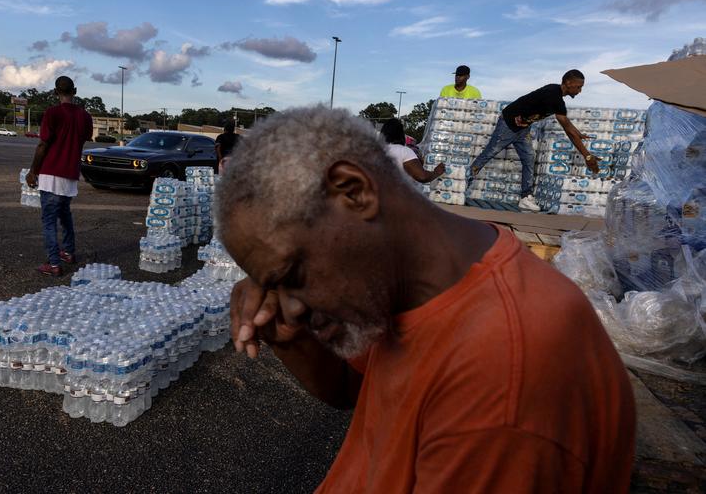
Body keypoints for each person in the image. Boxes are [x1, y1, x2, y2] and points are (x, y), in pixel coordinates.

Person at [216, 106, 635, 493]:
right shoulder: (419, 280)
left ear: (354, 191)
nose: (290, 304)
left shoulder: (502, 382)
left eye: (293, 275)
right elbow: (355, 389)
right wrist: (290, 336)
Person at [469, 69, 599, 212]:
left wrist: (578, 133)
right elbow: (567, 128)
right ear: (568, 83)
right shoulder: (553, 95)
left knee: (529, 157)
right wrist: (587, 155)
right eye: (578, 86)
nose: (580, 90)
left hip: (522, 129)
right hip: (508, 125)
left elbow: (567, 124)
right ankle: (465, 182)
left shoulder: (557, 97)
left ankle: (525, 197)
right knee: (489, 153)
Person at [26, 76, 93, 277]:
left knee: (48, 221)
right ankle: (68, 252)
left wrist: (32, 171)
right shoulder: (85, 116)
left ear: (56, 92)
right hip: (70, 175)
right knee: (65, 215)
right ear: (75, 90)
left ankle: (54, 263)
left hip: (51, 174)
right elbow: (83, 138)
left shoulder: (52, 113)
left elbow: (43, 145)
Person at [380, 118, 444, 183]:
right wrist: (436, 172)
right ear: (401, 134)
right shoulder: (403, 151)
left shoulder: (376, 150)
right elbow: (422, 177)